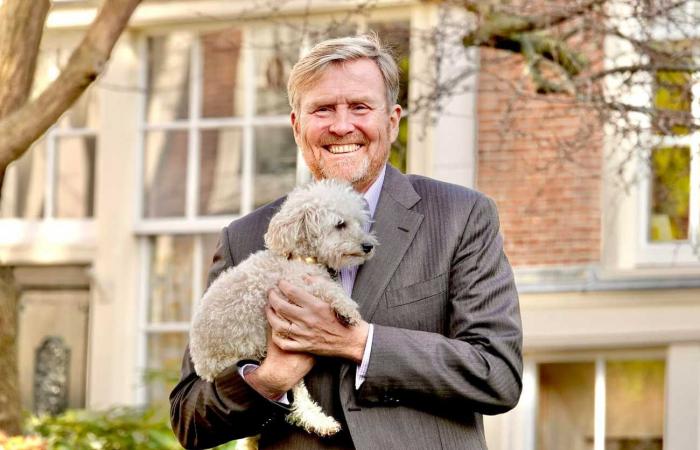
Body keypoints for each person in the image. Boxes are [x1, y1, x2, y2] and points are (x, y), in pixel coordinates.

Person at [170, 34, 522, 450]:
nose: (341, 125)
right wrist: (268, 380)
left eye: (359, 107)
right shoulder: (245, 236)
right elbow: (189, 418)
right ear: (297, 125)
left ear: (391, 121)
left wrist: (358, 343)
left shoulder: (461, 216)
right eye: (322, 109)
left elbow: (496, 373)